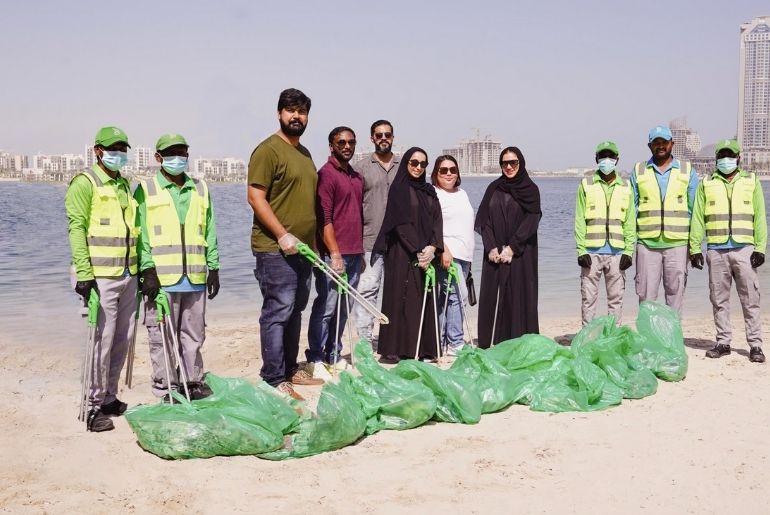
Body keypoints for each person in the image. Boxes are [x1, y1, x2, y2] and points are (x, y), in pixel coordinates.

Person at [247, 88, 323, 401]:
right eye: (291, 110)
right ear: (280, 113)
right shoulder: (268, 150)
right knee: (277, 312)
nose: (296, 116)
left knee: (295, 311)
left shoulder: (304, 154)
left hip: (303, 251)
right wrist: (281, 234)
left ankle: (291, 369)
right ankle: (273, 377)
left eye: (302, 112)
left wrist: (314, 245)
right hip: (274, 250)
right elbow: (255, 196)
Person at [135, 134, 220, 402]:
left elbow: (210, 230)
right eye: (171, 154)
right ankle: (165, 388)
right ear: (158, 158)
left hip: (194, 277)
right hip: (161, 280)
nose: (178, 158)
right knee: (162, 337)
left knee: (194, 335)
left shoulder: (201, 188)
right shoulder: (146, 190)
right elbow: (140, 235)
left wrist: (214, 267)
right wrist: (147, 270)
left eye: (182, 153)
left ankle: (192, 381)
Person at [65, 126, 139, 432]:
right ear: (98, 151)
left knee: (122, 340)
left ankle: (109, 396)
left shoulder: (124, 184)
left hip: (128, 274)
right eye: (113, 148)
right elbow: (76, 228)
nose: (119, 153)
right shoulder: (86, 183)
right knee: (101, 343)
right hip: (99, 278)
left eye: (123, 147)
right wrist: (84, 274)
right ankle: (91, 406)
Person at [688, 139, 766, 363]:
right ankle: (723, 342)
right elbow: (697, 217)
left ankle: (756, 345)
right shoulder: (707, 183)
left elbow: (760, 217)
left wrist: (760, 247)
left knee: (750, 298)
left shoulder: (751, 181)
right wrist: (695, 248)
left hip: (745, 249)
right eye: (721, 155)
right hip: (717, 249)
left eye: (730, 155)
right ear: (716, 158)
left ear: (738, 157)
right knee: (718, 299)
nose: (726, 159)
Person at [374, 147, 443, 361]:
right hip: (402, 252)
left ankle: (423, 349)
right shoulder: (399, 189)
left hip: (426, 253)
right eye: (414, 163)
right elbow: (400, 224)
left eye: (423, 164)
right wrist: (418, 250)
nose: (418, 167)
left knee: (422, 297)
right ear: (406, 163)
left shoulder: (429, 191)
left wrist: (433, 247)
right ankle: (396, 349)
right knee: (401, 298)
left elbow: (437, 221)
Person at [305, 127, 364, 379]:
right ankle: (316, 358)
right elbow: (324, 219)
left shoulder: (356, 177)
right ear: (331, 145)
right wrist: (335, 253)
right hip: (333, 255)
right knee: (326, 307)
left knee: (343, 309)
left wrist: (358, 254)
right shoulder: (326, 175)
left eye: (351, 142)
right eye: (341, 142)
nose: (347, 146)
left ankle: (333, 354)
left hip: (354, 253)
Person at [475, 146, 541, 348]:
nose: (509, 167)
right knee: (491, 298)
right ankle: (490, 344)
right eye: (505, 163)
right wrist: (491, 248)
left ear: (521, 163)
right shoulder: (494, 188)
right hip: (494, 255)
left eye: (513, 162)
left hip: (520, 254)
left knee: (518, 297)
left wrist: (512, 247)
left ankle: (519, 345)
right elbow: (483, 220)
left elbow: (532, 219)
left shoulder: (531, 190)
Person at [631, 125, 699, 315]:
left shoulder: (687, 171)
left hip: (677, 244)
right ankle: (647, 341)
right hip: (647, 244)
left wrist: (694, 248)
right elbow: (631, 210)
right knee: (646, 297)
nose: (661, 146)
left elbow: (695, 212)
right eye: (656, 143)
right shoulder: (639, 171)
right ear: (649, 146)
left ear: (672, 144)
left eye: (664, 142)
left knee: (675, 296)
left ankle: (672, 341)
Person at [574, 141, 635, 325]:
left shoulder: (626, 186)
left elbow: (630, 221)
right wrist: (581, 251)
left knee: (616, 300)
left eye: (610, 156)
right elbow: (579, 220)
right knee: (588, 299)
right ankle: (587, 338)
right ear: (596, 159)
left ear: (617, 159)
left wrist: (629, 252)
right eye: (603, 156)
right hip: (591, 252)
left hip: (617, 253)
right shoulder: (586, 184)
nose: (606, 160)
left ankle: (613, 338)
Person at [352, 120, 400, 349]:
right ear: (372, 138)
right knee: (367, 291)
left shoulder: (405, 165)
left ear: (393, 137)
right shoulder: (361, 168)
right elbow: (353, 208)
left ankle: (395, 340)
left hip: (400, 244)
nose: (383, 138)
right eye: (378, 134)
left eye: (387, 134)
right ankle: (364, 342)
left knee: (399, 291)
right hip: (370, 241)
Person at [431, 155, 474, 355]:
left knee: (449, 297)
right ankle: (455, 343)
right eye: (443, 170)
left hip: (465, 255)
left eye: (452, 170)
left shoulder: (462, 193)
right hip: (449, 253)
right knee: (457, 296)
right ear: (436, 173)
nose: (449, 173)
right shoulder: (434, 193)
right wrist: (444, 249)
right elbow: (432, 225)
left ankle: (442, 341)